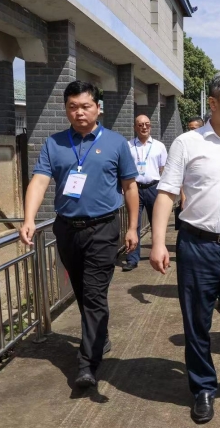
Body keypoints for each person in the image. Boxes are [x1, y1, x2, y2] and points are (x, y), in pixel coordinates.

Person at [150, 71, 220, 423]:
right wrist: (158, 243)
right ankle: (203, 386)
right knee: (197, 321)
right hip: (196, 245)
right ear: (213, 103)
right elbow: (167, 194)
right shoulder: (187, 143)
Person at [19, 80, 139, 389]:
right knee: (83, 290)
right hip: (67, 229)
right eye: (73, 107)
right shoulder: (54, 143)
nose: (79, 112)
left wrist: (132, 227)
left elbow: (129, 187)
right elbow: (39, 181)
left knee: (94, 292)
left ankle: (87, 364)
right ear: (66, 109)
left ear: (98, 108)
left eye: (85, 106)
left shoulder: (116, 143)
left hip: (103, 228)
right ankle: (100, 336)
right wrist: (29, 218)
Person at [123, 115, 168, 271]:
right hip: (134, 188)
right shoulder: (128, 146)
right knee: (133, 223)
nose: (144, 127)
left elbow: (163, 169)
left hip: (153, 187)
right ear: (135, 127)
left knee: (157, 223)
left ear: (150, 126)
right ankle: (132, 259)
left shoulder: (159, 146)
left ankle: (160, 255)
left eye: (147, 124)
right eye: (140, 124)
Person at [175, 117, 204, 230]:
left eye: (194, 129)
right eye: (189, 129)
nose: (191, 132)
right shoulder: (185, 146)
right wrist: (183, 198)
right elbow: (182, 178)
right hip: (191, 200)